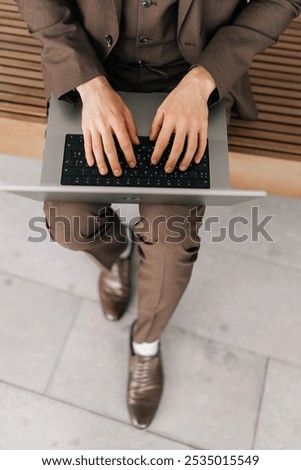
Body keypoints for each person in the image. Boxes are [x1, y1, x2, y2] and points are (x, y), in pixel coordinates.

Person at [16, 0, 301, 429]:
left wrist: (206, 78)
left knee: (171, 243)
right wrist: (88, 83)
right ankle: (117, 260)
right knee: (69, 222)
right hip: (91, 68)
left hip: (193, 75)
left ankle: (146, 343)